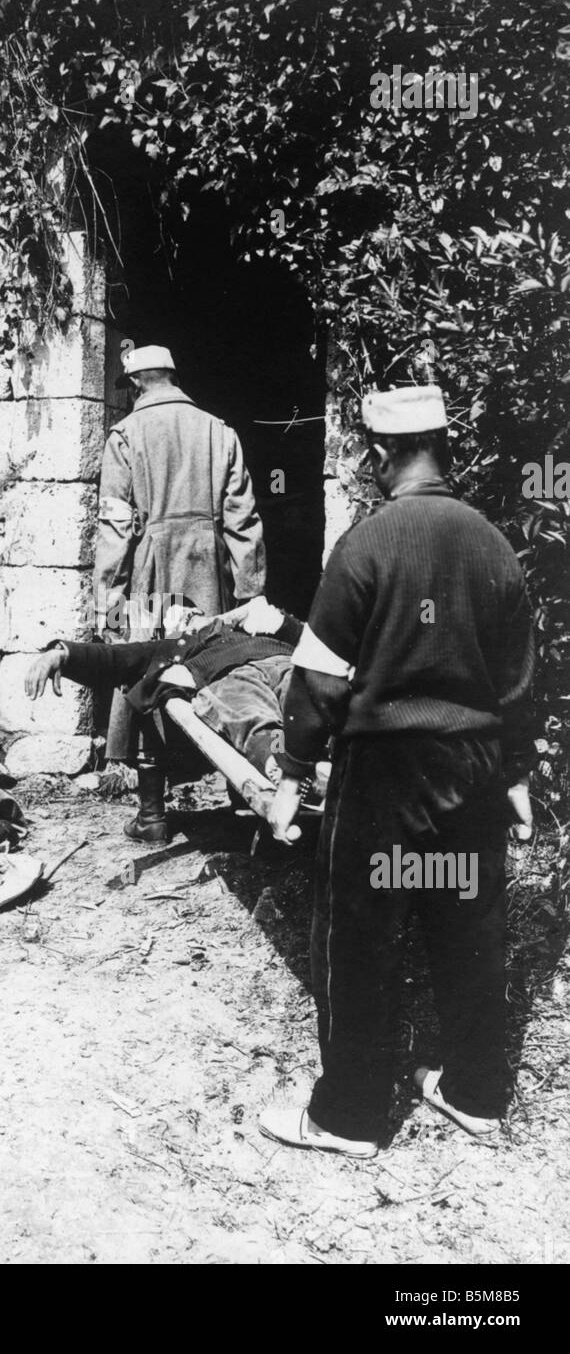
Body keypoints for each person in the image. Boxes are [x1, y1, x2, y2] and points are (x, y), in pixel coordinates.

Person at [260, 384, 536, 1159]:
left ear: (382, 454)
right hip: (474, 770)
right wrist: (514, 772)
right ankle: (477, 1093)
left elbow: (317, 679)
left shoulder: (367, 545)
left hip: (385, 775)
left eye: (367, 457)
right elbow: (518, 682)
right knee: (468, 925)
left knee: (362, 935)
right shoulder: (493, 546)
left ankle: (348, 1117)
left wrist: (291, 771)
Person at [93, 344, 266, 845]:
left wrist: (109, 596)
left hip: (152, 569)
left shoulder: (126, 435)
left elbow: (115, 525)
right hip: (208, 571)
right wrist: (250, 595)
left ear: (137, 383)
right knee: (219, 671)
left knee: (151, 673)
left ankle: (152, 816)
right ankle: (241, 806)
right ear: (170, 375)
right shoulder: (220, 431)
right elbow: (244, 521)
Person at [25, 598, 304, 782]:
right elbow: (115, 657)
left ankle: (316, 761)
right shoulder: (176, 647)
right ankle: (279, 762)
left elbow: (313, 637)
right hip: (237, 677)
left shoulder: (252, 624)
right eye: (181, 616)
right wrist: (62, 654)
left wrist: (276, 621)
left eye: (192, 611)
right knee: (258, 718)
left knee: (304, 701)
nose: (190, 616)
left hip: (286, 662)